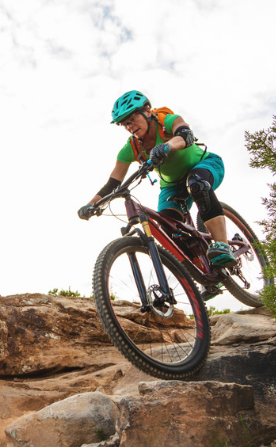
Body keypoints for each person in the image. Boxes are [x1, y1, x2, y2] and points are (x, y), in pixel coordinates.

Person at [78, 90, 235, 296]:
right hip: (172, 186)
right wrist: (91, 205)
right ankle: (206, 273)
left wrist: (166, 146)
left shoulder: (165, 120)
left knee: (197, 184)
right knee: (168, 229)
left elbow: (185, 135)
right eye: (125, 124)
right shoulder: (132, 148)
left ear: (148, 111)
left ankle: (223, 245)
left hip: (204, 164)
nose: (130, 126)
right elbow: (113, 183)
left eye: (132, 119)